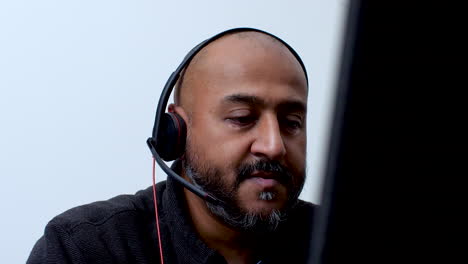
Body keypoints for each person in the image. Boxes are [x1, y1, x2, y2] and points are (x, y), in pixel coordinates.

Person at [27, 28, 317, 264]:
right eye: (242, 118)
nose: (274, 146)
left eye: (291, 122)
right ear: (177, 131)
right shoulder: (84, 249)